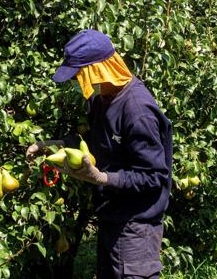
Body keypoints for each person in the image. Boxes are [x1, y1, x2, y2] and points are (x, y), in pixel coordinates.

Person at [26, 29, 173, 278]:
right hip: (111, 218)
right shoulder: (102, 99)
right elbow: (94, 143)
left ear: (97, 70)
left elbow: (154, 176)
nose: (76, 83)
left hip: (136, 226)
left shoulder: (137, 111)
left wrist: (102, 178)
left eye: (78, 76)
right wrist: (51, 144)